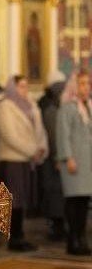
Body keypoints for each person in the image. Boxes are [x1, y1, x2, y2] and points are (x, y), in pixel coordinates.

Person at [0, 75, 48, 252]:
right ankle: (14, 238)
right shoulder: (5, 106)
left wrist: (40, 148)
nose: (25, 90)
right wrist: (32, 150)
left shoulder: (31, 106)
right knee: (14, 200)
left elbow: (38, 130)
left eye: (26, 86)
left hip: (26, 159)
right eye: (21, 86)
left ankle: (20, 235)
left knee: (22, 199)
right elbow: (10, 135)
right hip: (12, 159)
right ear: (12, 88)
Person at [57, 72, 92, 255]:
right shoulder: (67, 107)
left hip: (87, 163)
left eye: (88, 84)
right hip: (73, 162)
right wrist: (67, 157)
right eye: (82, 84)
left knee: (84, 201)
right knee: (74, 201)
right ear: (74, 86)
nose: (86, 87)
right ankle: (73, 241)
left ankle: (82, 239)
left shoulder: (88, 106)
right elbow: (63, 135)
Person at [38, 74, 67, 242]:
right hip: (54, 160)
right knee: (55, 193)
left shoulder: (59, 108)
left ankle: (60, 225)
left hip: (59, 158)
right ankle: (56, 227)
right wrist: (58, 158)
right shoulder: (52, 111)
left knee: (60, 194)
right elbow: (54, 136)